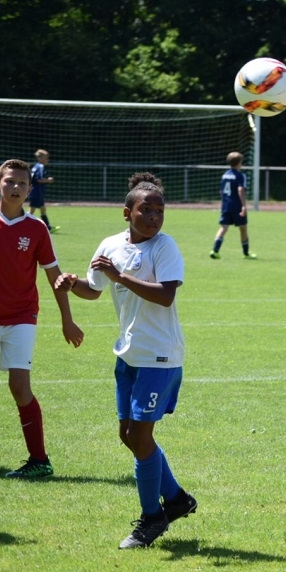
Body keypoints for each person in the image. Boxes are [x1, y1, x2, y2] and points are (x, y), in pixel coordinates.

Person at [55, 172, 196, 549]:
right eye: (146, 209)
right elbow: (94, 289)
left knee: (140, 436)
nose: (154, 217)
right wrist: (72, 284)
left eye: (159, 211)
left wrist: (119, 275)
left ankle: (152, 518)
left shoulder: (164, 247)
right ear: (126, 212)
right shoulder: (111, 246)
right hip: (129, 353)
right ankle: (176, 499)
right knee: (127, 435)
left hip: (160, 355)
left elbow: (165, 295)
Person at [0, 159, 84, 480]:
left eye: (22, 183)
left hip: (22, 317)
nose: (15, 187)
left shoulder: (37, 228)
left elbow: (54, 276)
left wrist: (67, 320)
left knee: (20, 385)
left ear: (30, 189)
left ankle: (39, 461)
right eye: (9, 181)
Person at [210, 152, 257, 259]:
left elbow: (221, 191)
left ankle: (215, 250)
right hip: (237, 206)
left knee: (223, 227)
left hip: (226, 205)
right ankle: (246, 254)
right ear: (239, 163)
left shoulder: (225, 175)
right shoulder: (241, 175)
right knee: (243, 228)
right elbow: (240, 190)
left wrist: (225, 201)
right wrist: (243, 206)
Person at [27, 149, 59, 233]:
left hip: (36, 191)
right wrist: (48, 180)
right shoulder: (40, 167)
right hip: (36, 191)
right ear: (40, 158)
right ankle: (23, 226)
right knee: (31, 211)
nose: (48, 160)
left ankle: (48, 227)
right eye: (46, 158)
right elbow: (39, 179)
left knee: (42, 209)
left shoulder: (36, 166)